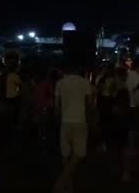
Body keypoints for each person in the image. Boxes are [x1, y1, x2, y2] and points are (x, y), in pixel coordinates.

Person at [53, 65, 92, 193]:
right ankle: (64, 182)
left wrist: (57, 120)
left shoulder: (60, 83)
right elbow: (89, 104)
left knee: (66, 153)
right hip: (80, 119)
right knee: (79, 153)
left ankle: (67, 185)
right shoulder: (85, 82)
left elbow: (57, 106)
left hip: (65, 120)